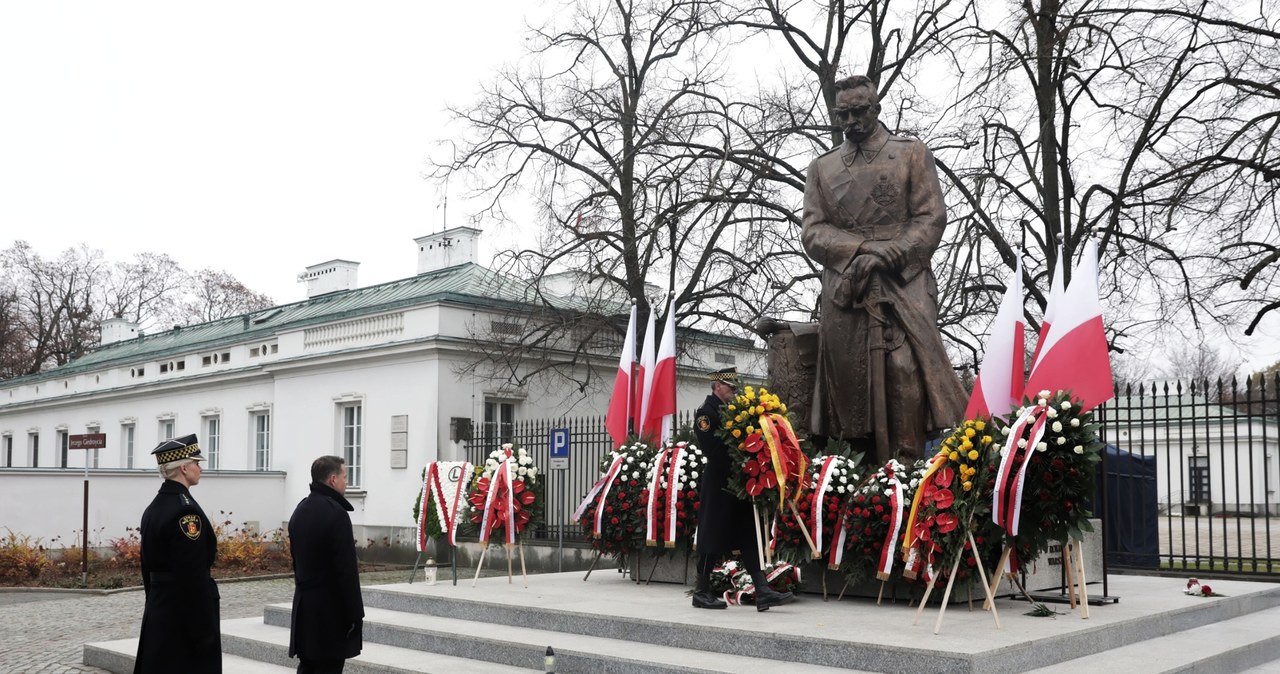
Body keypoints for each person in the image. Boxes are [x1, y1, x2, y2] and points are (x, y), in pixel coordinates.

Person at [801, 75, 967, 464]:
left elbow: (931, 217)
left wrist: (889, 254)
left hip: (903, 279)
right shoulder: (821, 169)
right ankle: (855, 471)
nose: (851, 121)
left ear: (875, 109)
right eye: (843, 114)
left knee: (905, 369)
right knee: (849, 385)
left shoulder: (910, 153)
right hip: (847, 287)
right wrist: (861, 251)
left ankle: (905, 467)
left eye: (859, 112)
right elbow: (813, 231)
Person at [692, 367, 795, 611]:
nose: (734, 391)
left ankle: (762, 590)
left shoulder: (735, 413)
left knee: (749, 533)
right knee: (711, 535)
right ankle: (701, 591)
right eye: (730, 387)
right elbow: (714, 452)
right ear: (718, 386)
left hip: (740, 484)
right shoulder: (705, 415)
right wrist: (744, 466)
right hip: (719, 484)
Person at [135, 433, 221, 673]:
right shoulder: (186, 513)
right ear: (184, 467)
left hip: (161, 608)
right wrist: (204, 629)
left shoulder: (155, 506)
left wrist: (154, 602)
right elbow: (192, 576)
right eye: (196, 462)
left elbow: (147, 568)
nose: (200, 468)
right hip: (183, 618)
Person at [288, 455, 363, 673]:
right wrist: (355, 614)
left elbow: (296, 561)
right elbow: (346, 571)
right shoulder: (336, 514)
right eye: (345, 476)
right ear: (332, 480)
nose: (346, 482)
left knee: (309, 666)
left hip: (305, 606)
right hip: (330, 612)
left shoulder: (300, 510)